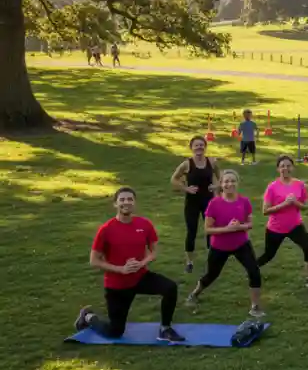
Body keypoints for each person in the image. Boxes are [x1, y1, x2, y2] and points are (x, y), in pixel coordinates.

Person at [75, 187, 185, 343]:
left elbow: (154, 252)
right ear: (115, 204)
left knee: (170, 287)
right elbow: (94, 260)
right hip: (117, 286)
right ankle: (88, 316)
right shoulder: (106, 230)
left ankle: (165, 329)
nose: (126, 202)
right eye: (122, 199)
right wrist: (121, 269)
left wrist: (141, 264)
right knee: (115, 332)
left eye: (130, 199)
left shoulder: (145, 224)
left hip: (140, 277)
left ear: (135, 203)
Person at [188, 170, 264, 318]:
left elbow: (250, 224)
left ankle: (255, 306)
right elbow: (208, 230)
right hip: (219, 246)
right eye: (226, 181)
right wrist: (228, 229)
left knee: (254, 272)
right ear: (221, 185)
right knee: (212, 275)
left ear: (237, 183)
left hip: (241, 244)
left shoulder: (244, 201)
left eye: (233, 181)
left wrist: (239, 227)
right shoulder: (214, 203)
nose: (230, 184)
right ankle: (195, 293)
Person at [256, 154, 308, 289]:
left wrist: (295, 202)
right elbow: (265, 211)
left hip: (295, 225)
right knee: (268, 255)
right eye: (282, 166)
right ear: (278, 169)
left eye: (288, 165)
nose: (285, 168)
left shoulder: (299, 185)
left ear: (293, 168)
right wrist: (284, 204)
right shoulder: (272, 187)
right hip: (275, 228)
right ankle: (252, 269)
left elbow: (305, 207)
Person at [170, 136, 220, 273]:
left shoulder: (212, 161)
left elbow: (221, 178)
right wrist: (186, 189)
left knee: (210, 230)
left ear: (205, 147)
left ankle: (212, 259)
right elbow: (174, 179)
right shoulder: (187, 164)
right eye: (196, 145)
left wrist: (215, 186)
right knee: (191, 231)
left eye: (201, 145)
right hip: (192, 202)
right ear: (191, 148)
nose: (199, 147)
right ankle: (189, 262)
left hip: (208, 202)